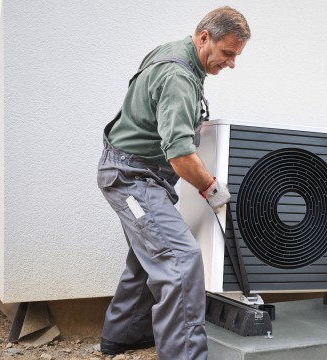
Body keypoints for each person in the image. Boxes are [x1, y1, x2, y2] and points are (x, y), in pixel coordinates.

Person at [96, 7, 250, 359]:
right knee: (180, 258)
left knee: (147, 258)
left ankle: (123, 339)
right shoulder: (179, 77)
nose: (231, 64)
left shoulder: (173, 54)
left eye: (236, 56)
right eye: (228, 53)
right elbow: (180, 156)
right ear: (204, 37)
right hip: (131, 179)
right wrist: (212, 188)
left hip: (138, 174)